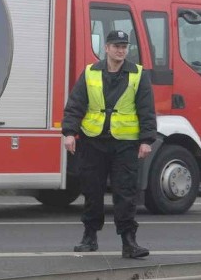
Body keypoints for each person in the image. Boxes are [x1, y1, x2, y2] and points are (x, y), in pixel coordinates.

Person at [62, 30, 156, 258]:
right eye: (116, 46)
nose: (121, 50)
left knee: (125, 193)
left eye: (124, 46)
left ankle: (128, 241)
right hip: (93, 141)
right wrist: (69, 133)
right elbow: (75, 104)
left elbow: (146, 109)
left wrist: (146, 139)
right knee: (92, 191)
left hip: (125, 143)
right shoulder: (90, 73)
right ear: (106, 48)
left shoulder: (138, 74)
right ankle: (89, 236)